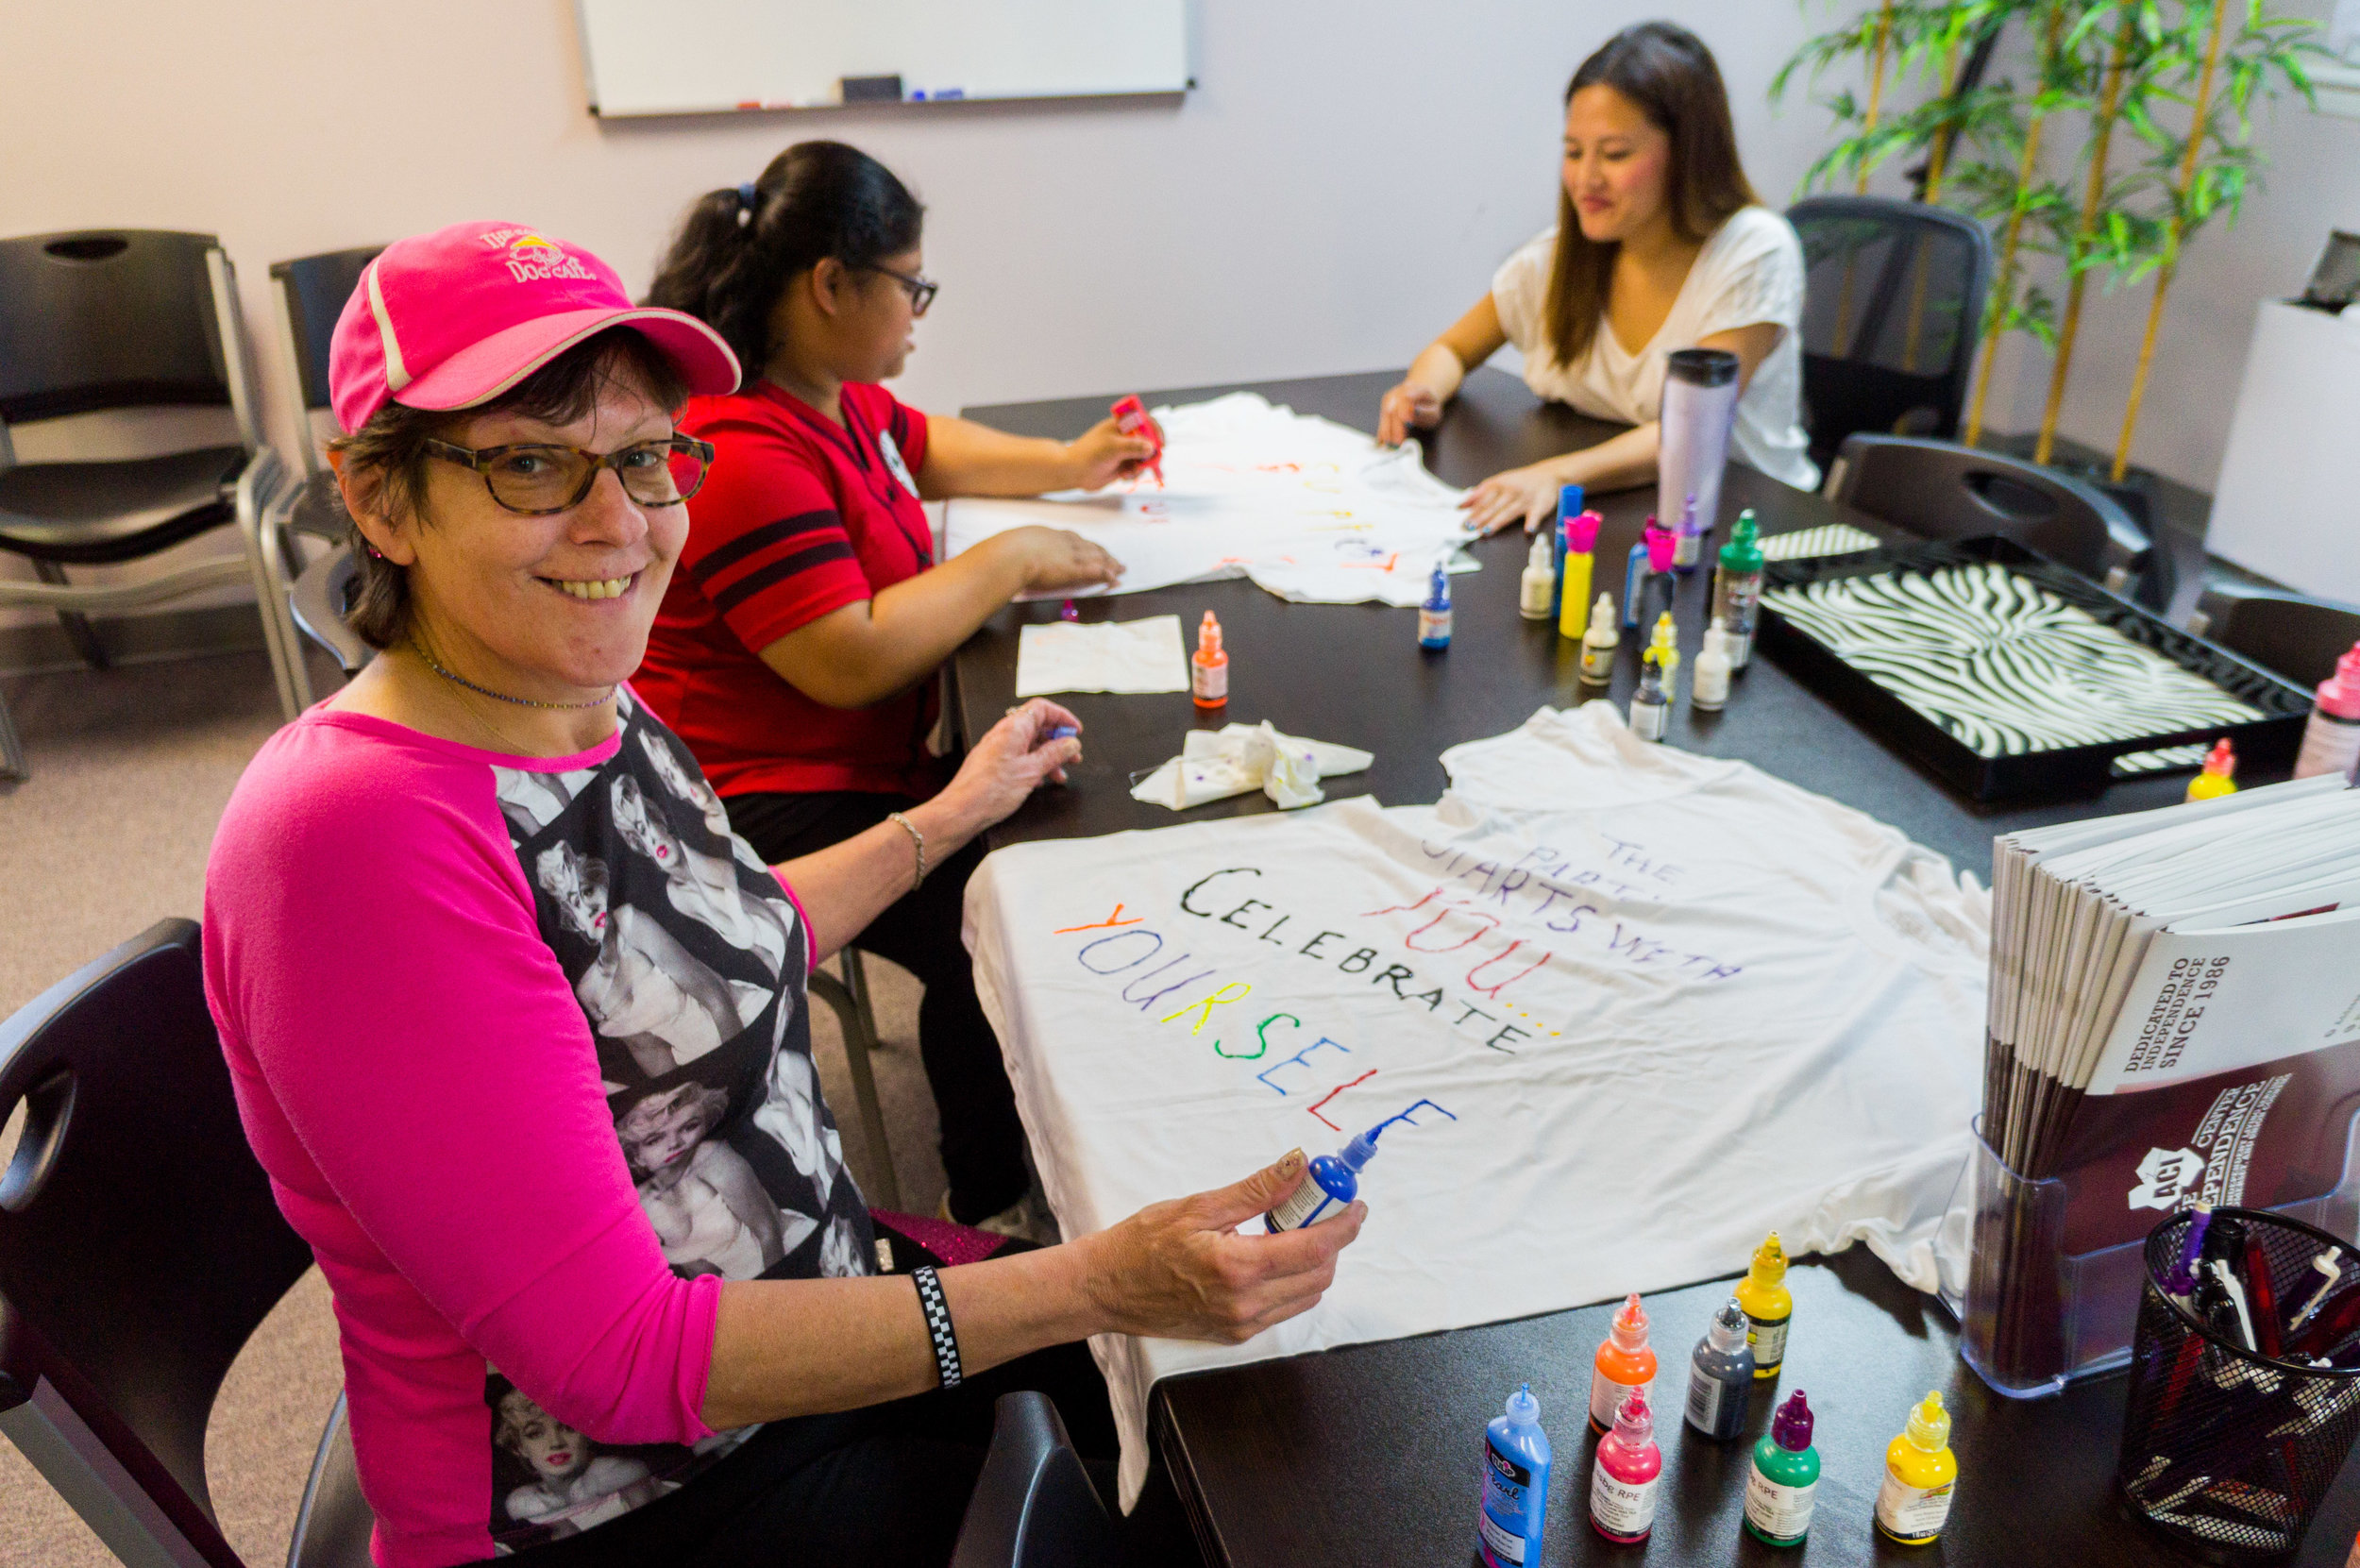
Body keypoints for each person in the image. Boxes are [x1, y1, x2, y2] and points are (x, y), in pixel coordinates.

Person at [203, 222, 1362, 1568]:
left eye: (644, 459)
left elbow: (708, 956)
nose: (619, 524)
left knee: (1205, 1406)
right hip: (623, 1496)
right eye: (531, 464)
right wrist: (1089, 1279)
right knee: (1177, 1463)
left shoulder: (565, 688)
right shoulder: (356, 841)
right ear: (381, 499)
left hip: (792, 1322)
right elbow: (615, 1359)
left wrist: (944, 820)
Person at [637, 141, 1155, 1236]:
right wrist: (1010, 556)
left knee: (1037, 838)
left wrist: (1069, 459)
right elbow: (849, 657)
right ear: (832, 283)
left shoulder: (834, 395)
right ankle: (992, 1204)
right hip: (751, 797)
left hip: (851, 751)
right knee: (998, 904)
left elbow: (929, 447)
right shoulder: (736, 442)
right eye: (910, 285)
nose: (920, 311)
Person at [1378, 21, 1818, 535]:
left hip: (1750, 526)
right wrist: (1421, 392)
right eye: (1572, 152)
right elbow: (1451, 351)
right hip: (1625, 517)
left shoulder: (1754, 249)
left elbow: (1691, 432)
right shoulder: (1559, 257)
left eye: (1614, 154)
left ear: (1687, 155)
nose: (1586, 179)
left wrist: (1555, 476)